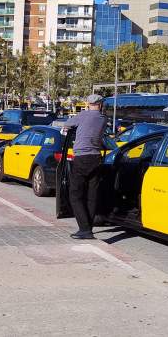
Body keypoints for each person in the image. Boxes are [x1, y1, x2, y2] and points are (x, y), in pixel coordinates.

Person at [64, 94, 107, 240]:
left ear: (88, 104)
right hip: (96, 158)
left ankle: (85, 229)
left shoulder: (83, 115)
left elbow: (68, 124)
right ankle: (88, 227)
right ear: (100, 105)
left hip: (82, 158)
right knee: (91, 195)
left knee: (75, 195)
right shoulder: (103, 119)